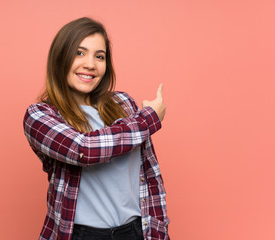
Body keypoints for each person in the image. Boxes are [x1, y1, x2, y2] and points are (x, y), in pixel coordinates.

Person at [23, 17, 170, 240]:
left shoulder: (123, 104)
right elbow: (84, 149)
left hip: (136, 231)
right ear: (60, 58)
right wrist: (148, 119)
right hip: (80, 234)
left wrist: (159, 233)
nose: (90, 64)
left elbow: (150, 175)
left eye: (99, 56)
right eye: (79, 53)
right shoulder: (40, 115)